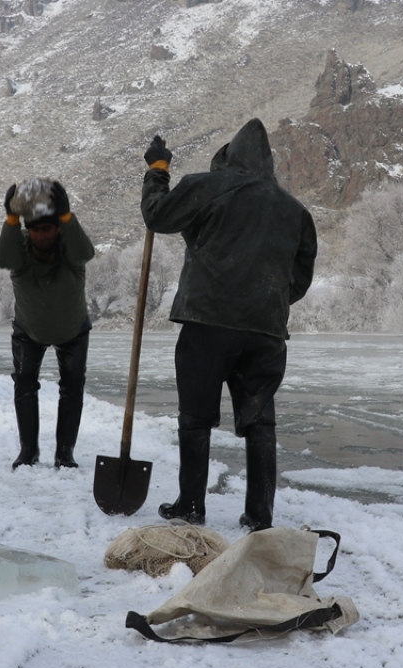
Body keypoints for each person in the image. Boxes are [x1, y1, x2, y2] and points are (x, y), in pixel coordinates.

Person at [139, 119, 317, 531]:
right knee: (260, 419)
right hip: (266, 331)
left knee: (195, 416)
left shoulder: (211, 186)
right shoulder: (295, 210)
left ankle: (190, 505)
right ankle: (260, 515)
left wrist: (157, 170)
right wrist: (266, 302)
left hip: (208, 322)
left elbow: (158, 215)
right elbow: (301, 277)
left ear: (229, 157)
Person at [0, 179, 96, 470]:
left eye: (47, 229)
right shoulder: (21, 253)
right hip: (29, 331)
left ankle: (65, 453)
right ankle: (28, 451)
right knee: (24, 387)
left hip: (73, 331)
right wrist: (12, 219)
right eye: (35, 230)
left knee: (72, 388)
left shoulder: (70, 251)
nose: (40, 236)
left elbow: (86, 252)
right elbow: (4, 258)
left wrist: (67, 216)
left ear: (57, 229)